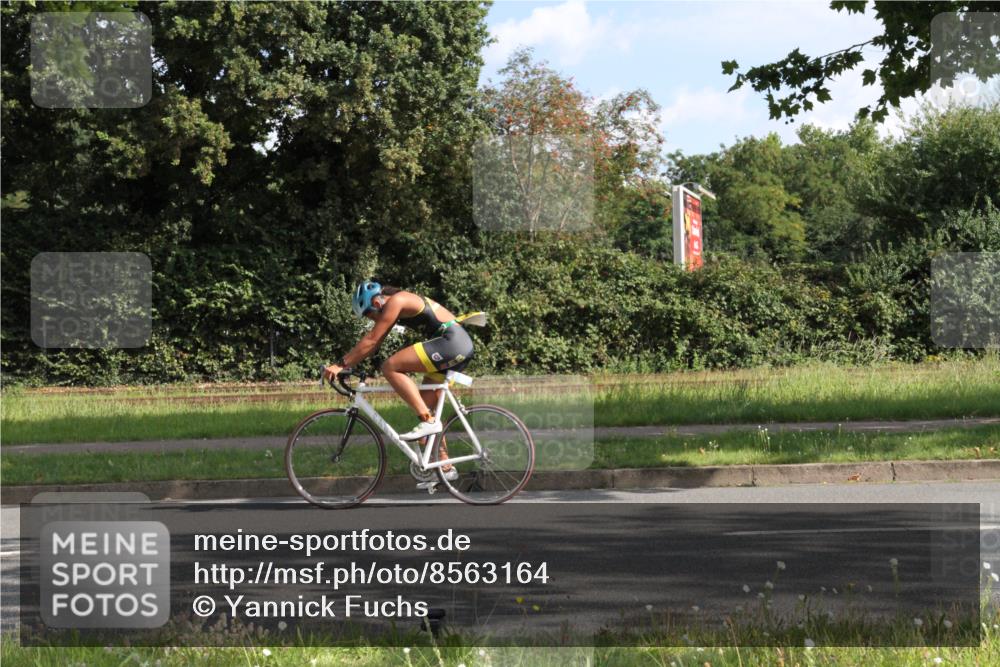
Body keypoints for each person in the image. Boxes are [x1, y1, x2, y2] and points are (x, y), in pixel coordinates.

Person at [322, 280, 475, 451]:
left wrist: (339, 365)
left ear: (376, 302)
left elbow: (371, 339)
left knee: (390, 367)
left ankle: (429, 422)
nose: (371, 319)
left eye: (368, 315)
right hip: (459, 345)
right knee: (425, 413)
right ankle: (445, 466)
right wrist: (350, 365)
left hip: (451, 343)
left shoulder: (397, 300)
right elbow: (374, 344)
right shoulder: (397, 305)